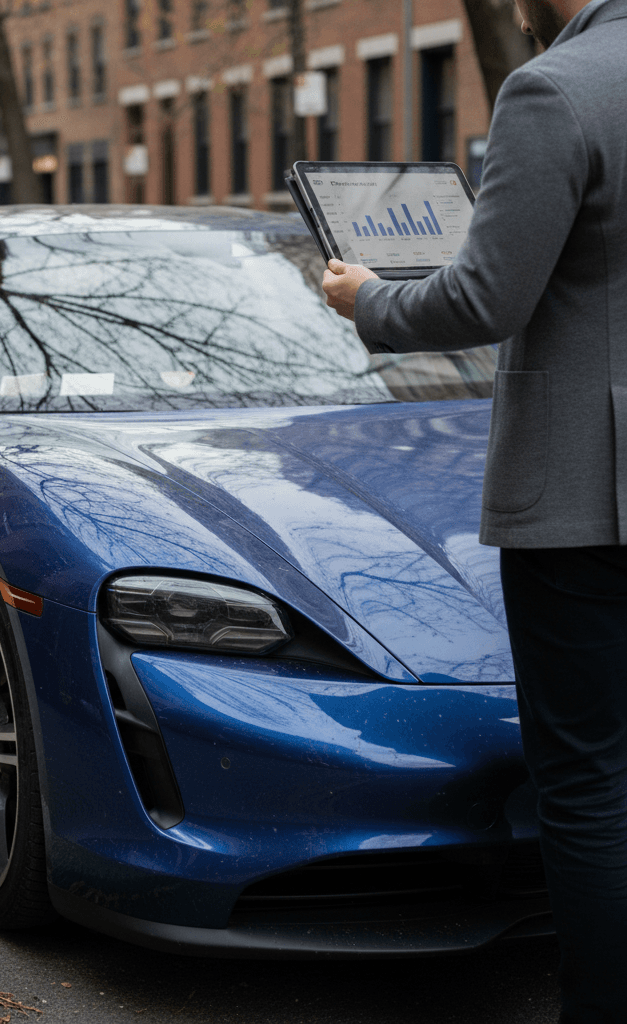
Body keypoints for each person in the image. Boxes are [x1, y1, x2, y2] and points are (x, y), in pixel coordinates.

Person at [322, 1, 627, 1020]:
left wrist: (366, 297)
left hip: (588, 495)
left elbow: (483, 299)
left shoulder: (556, 87)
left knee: (588, 786)